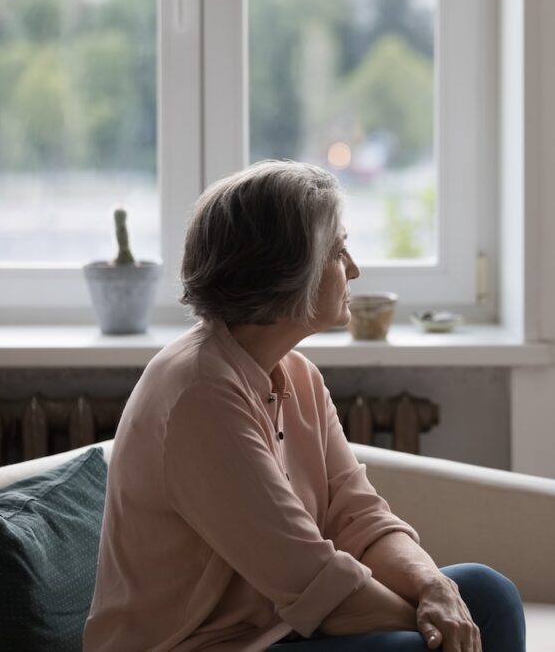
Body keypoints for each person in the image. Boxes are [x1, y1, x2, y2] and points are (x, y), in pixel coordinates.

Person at [82, 161, 526, 652]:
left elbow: (361, 519)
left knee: (487, 593)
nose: (354, 268)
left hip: (278, 626)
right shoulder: (199, 394)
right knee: (432, 639)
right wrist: (437, 629)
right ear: (286, 271)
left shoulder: (298, 376)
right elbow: (319, 586)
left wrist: (433, 588)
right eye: (337, 251)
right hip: (206, 644)